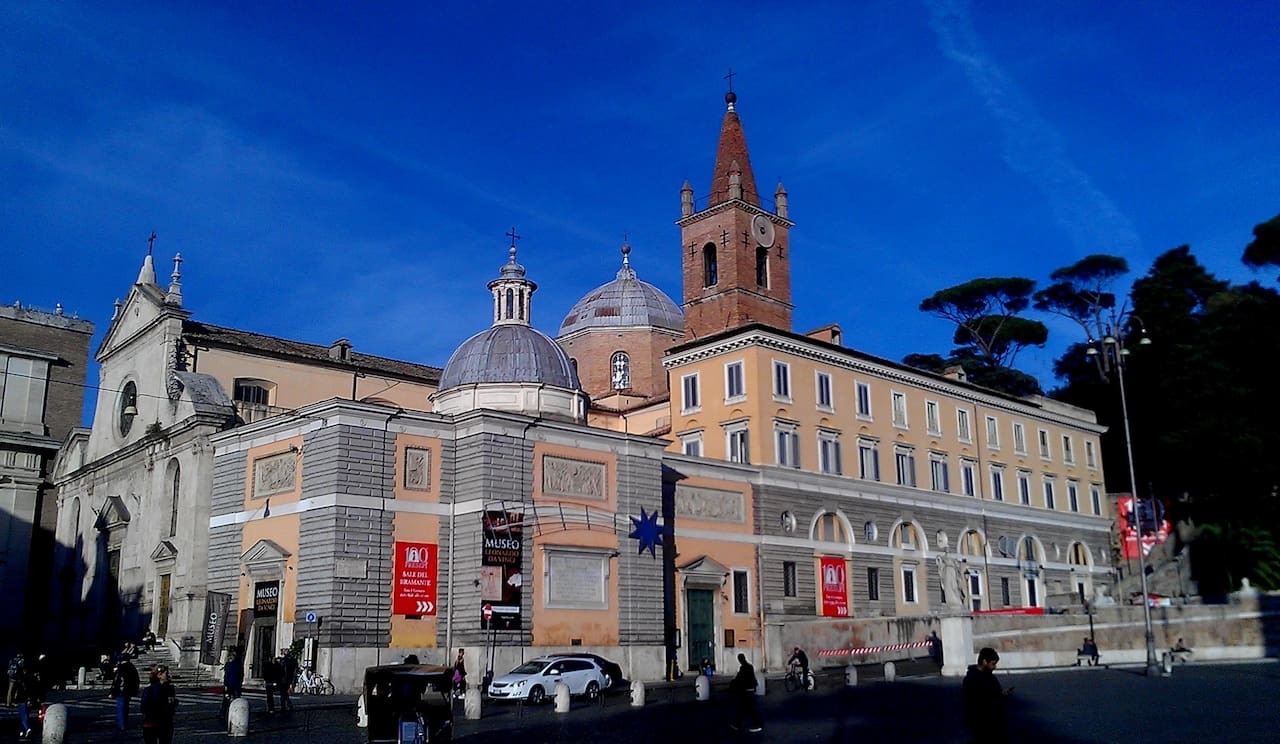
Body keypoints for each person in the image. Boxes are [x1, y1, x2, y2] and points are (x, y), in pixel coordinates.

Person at [963, 647, 1010, 744]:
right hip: (982, 724)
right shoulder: (972, 680)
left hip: (994, 723)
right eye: (993, 664)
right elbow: (973, 703)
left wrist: (1002, 694)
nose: (995, 667)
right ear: (984, 662)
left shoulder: (990, 677)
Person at [140, 664, 178, 744]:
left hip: (164, 722)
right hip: (154, 722)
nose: (168, 676)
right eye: (166, 674)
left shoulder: (170, 689)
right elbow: (144, 707)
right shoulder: (150, 690)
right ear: (159, 675)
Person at [728, 653, 762, 733]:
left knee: (746, 709)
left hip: (746, 690)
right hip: (750, 689)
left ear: (740, 660)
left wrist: (732, 683)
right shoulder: (750, 666)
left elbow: (739, 679)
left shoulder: (743, 668)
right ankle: (737, 724)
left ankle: (756, 725)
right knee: (745, 709)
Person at [12, 658, 41, 740]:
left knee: (23, 715)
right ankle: (22, 731)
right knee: (26, 715)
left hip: (22, 698)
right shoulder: (31, 677)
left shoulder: (19, 676)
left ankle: (28, 728)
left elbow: (17, 688)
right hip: (30, 698)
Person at [110, 655, 141, 731]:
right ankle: (124, 723)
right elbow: (136, 680)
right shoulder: (132, 668)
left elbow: (117, 680)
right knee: (126, 707)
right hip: (129, 690)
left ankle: (122, 725)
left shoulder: (121, 668)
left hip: (121, 690)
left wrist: (112, 691)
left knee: (121, 708)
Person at [220, 649, 244, 722]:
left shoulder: (232, 665)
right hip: (234, 685)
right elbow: (240, 675)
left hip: (232, 684)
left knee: (228, 700)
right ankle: (225, 713)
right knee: (231, 700)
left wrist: (226, 684)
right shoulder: (237, 665)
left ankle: (224, 713)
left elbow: (227, 675)